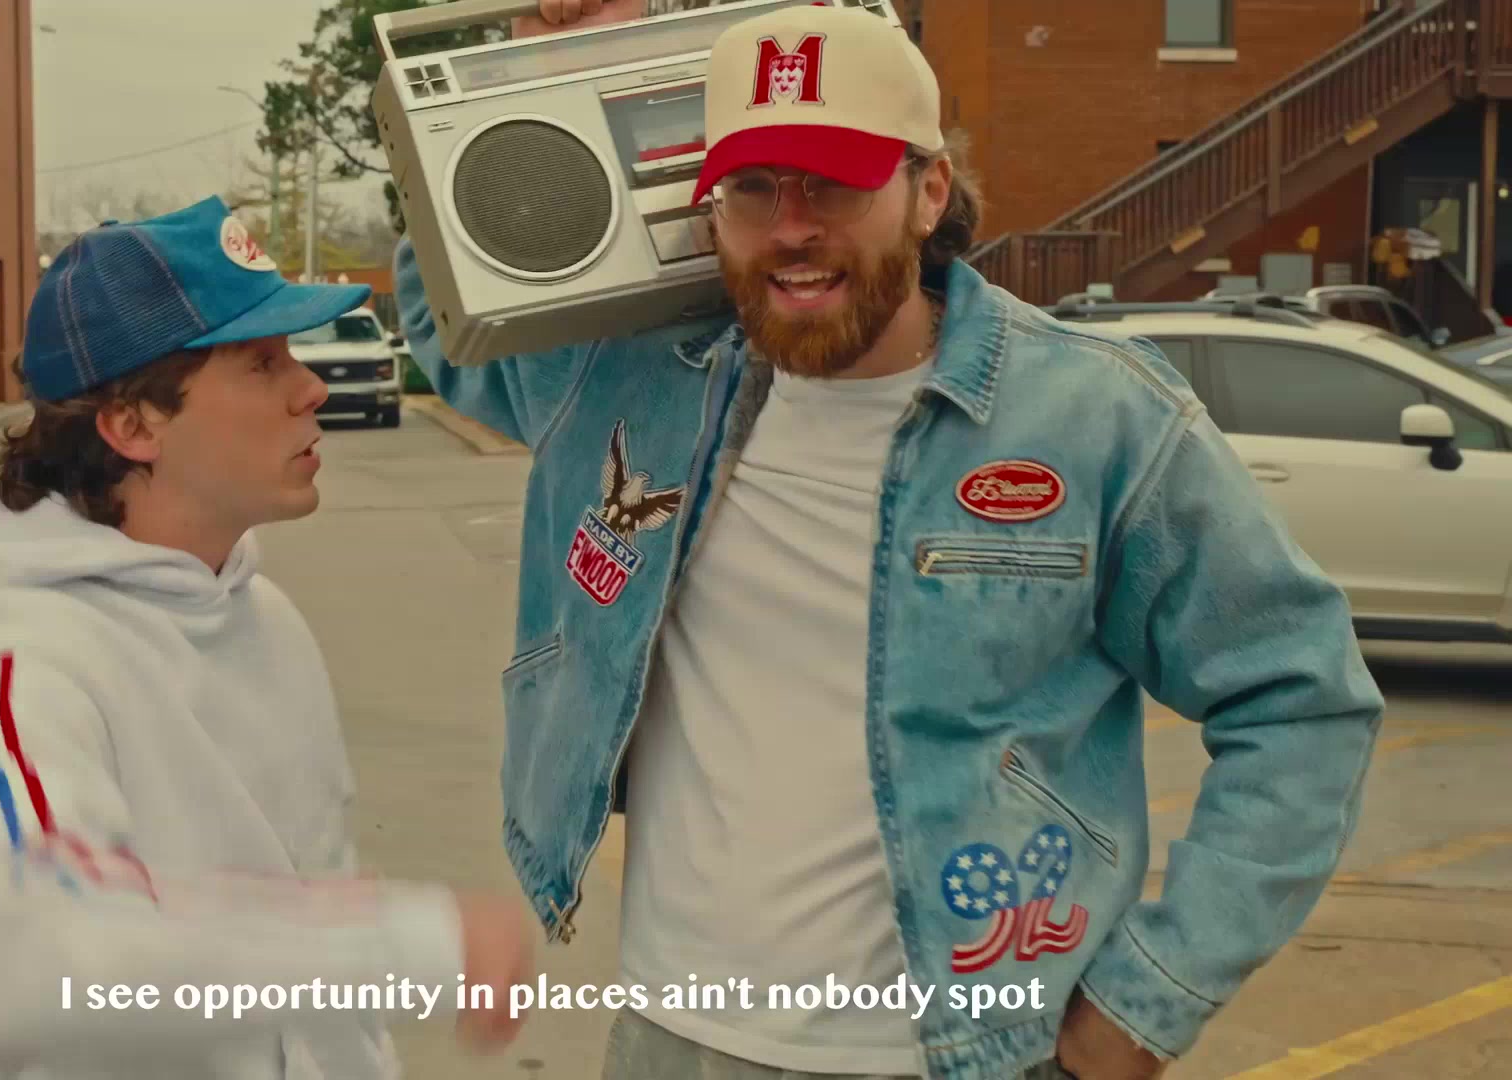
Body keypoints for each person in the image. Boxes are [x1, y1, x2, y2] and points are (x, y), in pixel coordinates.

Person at [395, 3, 1384, 1079]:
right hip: (673, 1036)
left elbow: (1300, 701)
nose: (792, 227)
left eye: (835, 181)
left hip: (964, 1051)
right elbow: (450, 314)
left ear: (929, 191)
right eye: (754, 187)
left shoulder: (1093, 419)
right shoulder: (631, 384)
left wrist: (1148, 1002)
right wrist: (539, 73)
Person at [0, 195, 534, 1080]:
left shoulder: (261, 613)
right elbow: (12, 950)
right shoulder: (18, 660)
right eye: (263, 363)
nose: (311, 388)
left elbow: (310, 904)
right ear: (133, 425)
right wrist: (403, 947)